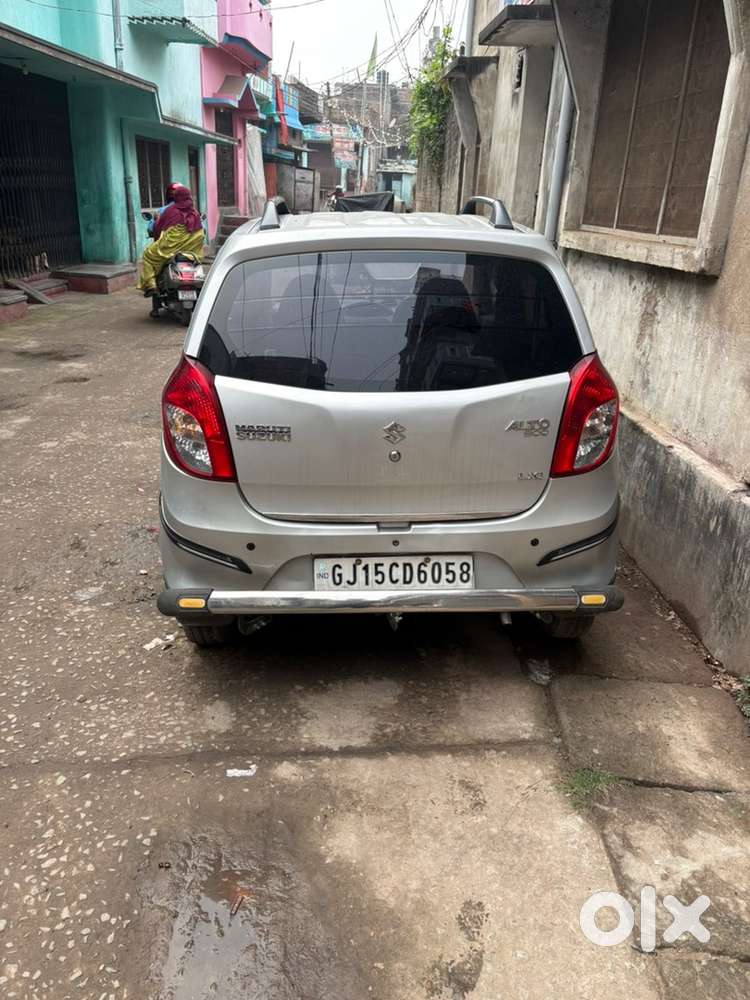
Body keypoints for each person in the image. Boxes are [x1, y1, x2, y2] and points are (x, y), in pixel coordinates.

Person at [137, 185, 204, 296]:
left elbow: (157, 227)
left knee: (148, 255)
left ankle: (150, 285)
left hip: (169, 249)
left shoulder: (170, 211)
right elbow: (201, 233)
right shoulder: (195, 213)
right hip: (191, 252)